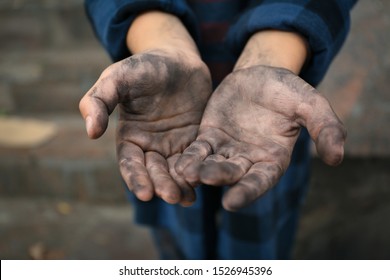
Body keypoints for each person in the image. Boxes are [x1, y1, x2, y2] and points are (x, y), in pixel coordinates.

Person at [80, 0, 357, 259]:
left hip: (271, 121)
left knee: (260, 239)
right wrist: (159, 38)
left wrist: (275, 52)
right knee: (178, 228)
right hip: (160, 117)